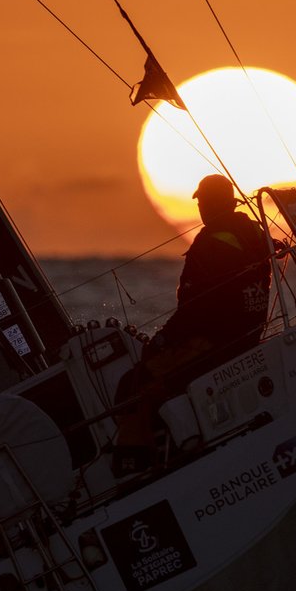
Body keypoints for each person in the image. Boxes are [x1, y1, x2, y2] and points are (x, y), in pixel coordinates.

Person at [112, 174, 271, 474]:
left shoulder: (210, 244)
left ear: (210, 205)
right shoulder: (254, 232)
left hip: (213, 342)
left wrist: (161, 341)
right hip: (246, 334)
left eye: (203, 203)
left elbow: (194, 311)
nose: (201, 210)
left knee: (132, 385)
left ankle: (139, 472)